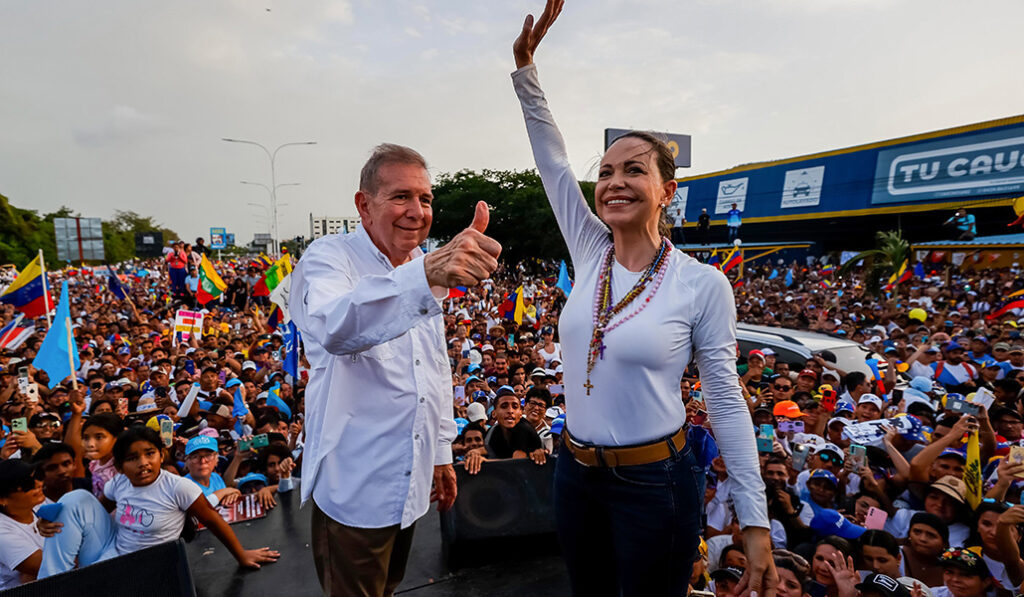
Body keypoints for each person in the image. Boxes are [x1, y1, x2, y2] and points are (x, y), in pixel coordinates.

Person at [511, 2, 774, 595]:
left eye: (633, 170)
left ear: (666, 190)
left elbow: (726, 401)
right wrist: (526, 72)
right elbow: (553, 162)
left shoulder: (701, 284)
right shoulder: (589, 250)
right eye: (605, 172)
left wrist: (754, 518)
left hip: (655, 482)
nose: (614, 182)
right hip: (574, 473)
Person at [290, 143, 501, 596]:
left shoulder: (419, 265)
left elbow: (433, 369)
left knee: (389, 587)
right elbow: (334, 327)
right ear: (364, 205)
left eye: (425, 199)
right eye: (401, 196)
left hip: (410, 480)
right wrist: (426, 274)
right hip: (356, 488)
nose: (417, 212)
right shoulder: (330, 257)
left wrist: (441, 453)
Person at [37, 427, 278, 577]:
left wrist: (241, 555)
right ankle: (51, 582)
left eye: (149, 454)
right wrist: (58, 523)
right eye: (132, 458)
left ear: (161, 455)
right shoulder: (119, 483)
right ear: (120, 466)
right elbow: (93, 514)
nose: (143, 463)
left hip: (150, 567)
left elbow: (213, 519)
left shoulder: (177, 487)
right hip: (111, 553)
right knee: (76, 498)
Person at [0, 459, 44, 590]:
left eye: (37, 477)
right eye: (27, 484)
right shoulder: (2, 531)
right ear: (2, 499)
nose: (38, 484)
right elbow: (48, 566)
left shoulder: (40, 505)